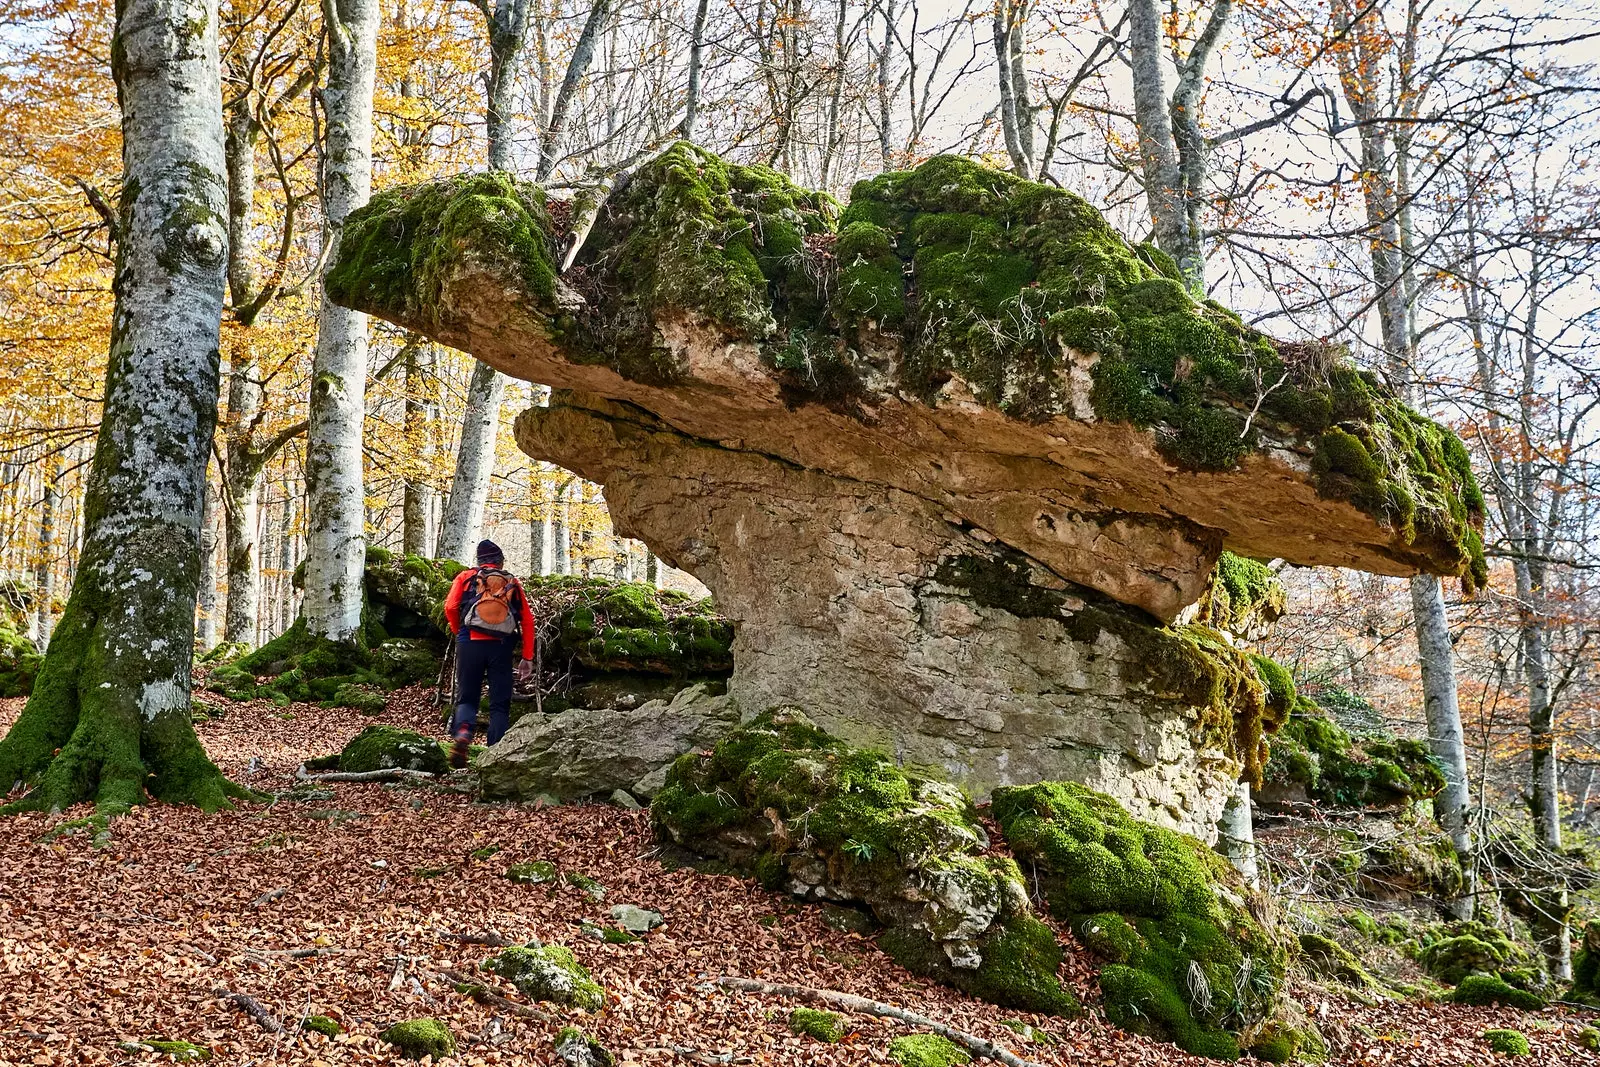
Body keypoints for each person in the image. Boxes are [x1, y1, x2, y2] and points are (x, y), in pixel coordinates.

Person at [443, 539, 536, 768]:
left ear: (479, 561)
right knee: (499, 703)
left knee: (467, 697)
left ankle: (463, 732)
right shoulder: (511, 582)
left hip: (469, 642)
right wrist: (527, 657)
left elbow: (450, 607)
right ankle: (494, 755)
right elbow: (527, 620)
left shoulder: (466, 577)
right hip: (501, 646)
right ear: (500, 561)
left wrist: (460, 632)